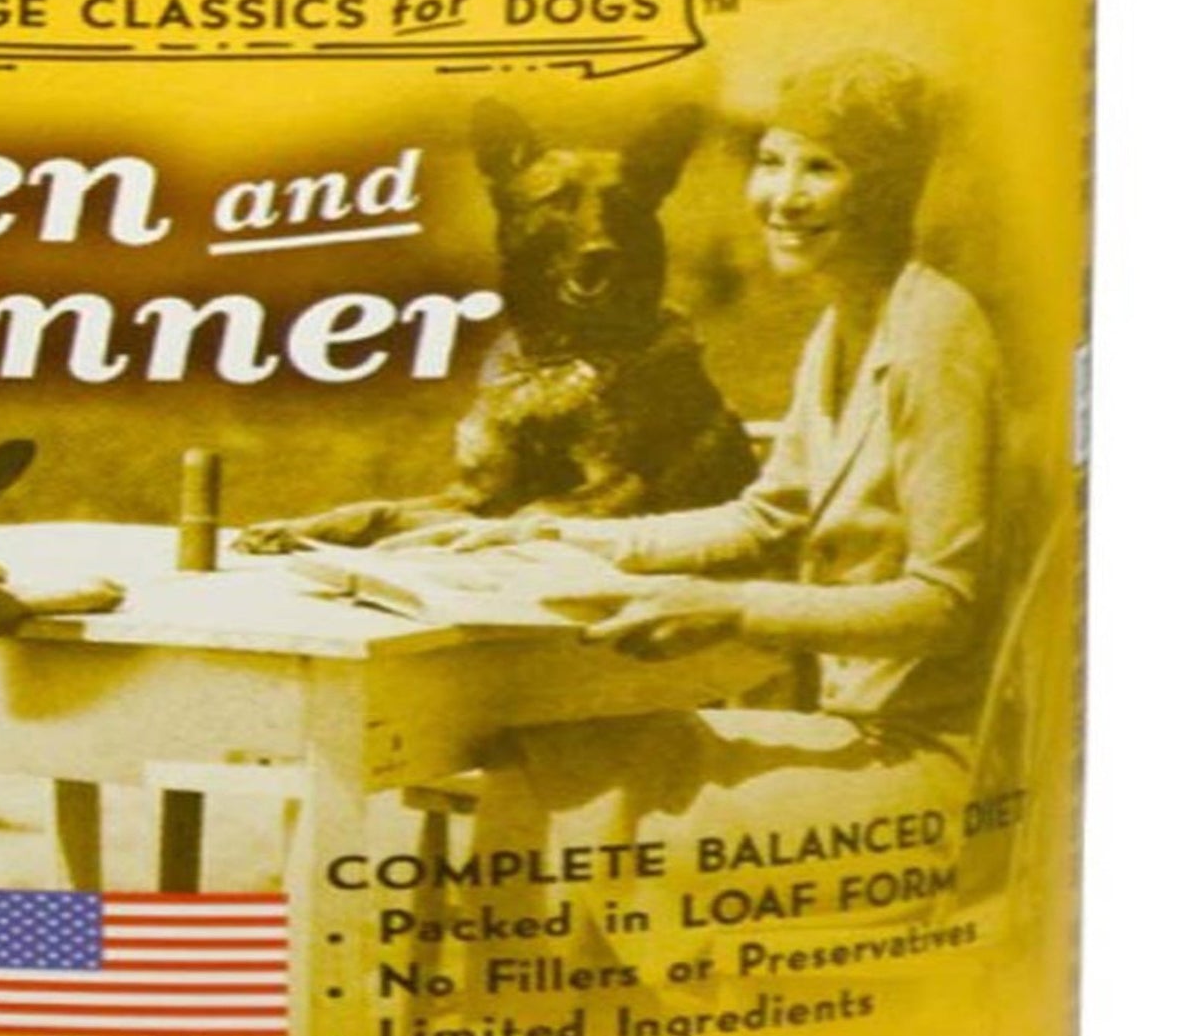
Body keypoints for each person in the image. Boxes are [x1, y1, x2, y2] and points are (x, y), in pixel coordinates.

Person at [393, 52, 1005, 952]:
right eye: (771, 162)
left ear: (886, 185)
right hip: (847, 734)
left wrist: (731, 610)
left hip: (928, 775)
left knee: (561, 796)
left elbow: (946, 607)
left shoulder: (935, 339)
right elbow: (767, 516)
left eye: (821, 168)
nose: (781, 197)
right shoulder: (845, 325)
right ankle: (544, 1024)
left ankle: (556, 1025)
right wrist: (573, 537)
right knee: (539, 755)